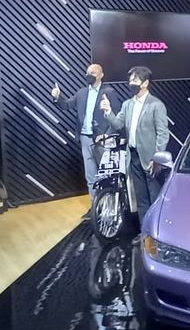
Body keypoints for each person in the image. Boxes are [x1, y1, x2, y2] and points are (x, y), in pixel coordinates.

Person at [101, 66, 169, 223]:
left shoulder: (156, 105)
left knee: (155, 197)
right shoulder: (127, 104)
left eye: (135, 80)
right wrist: (108, 111)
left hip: (151, 159)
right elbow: (118, 124)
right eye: (130, 80)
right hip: (133, 156)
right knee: (141, 198)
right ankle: (144, 230)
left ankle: (156, 230)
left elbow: (163, 134)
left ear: (145, 83)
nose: (131, 83)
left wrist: (157, 158)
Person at [51, 64, 121, 214]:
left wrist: (107, 134)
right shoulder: (82, 92)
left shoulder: (109, 92)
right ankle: (95, 208)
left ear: (101, 75)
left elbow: (117, 117)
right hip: (85, 139)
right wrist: (58, 97)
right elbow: (66, 105)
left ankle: (109, 208)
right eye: (87, 72)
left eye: (93, 73)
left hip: (102, 140)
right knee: (91, 176)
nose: (89, 75)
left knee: (106, 176)